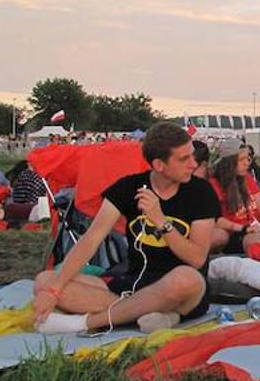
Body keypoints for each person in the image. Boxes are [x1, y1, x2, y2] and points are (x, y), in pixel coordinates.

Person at [31, 123, 219, 335]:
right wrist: (54, 291)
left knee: (186, 278)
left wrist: (160, 221)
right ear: (159, 164)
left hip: (180, 291)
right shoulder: (128, 187)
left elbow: (197, 259)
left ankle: (87, 323)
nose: (193, 164)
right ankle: (149, 315)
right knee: (45, 281)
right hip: (133, 284)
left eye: (192, 156)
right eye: (184, 159)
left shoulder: (201, 192)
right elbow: (91, 239)